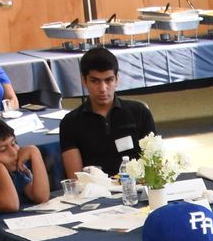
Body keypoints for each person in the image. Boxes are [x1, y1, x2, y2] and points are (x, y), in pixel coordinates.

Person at [60, 46, 155, 178]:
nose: (103, 88)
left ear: (117, 79)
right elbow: (75, 178)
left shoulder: (139, 113)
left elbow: (154, 165)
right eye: (95, 81)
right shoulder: (70, 122)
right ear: (84, 81)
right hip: (94, 193)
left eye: (108, 80)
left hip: (137, 188)